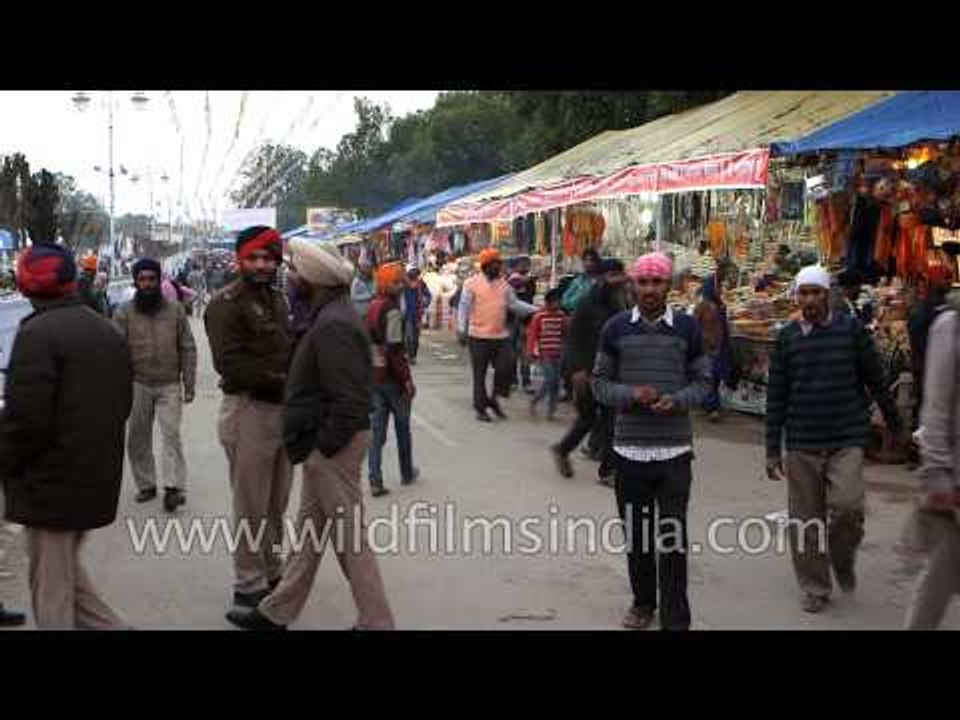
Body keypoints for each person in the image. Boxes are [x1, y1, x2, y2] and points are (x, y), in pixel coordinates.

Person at [226, 238, 393, 631]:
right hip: (326, 447)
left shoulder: (333, 323)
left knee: (351, 542)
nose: (290, 277)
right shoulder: (330, 314)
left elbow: (349, 401)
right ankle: (276, 612)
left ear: (313, 279)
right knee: (309, 538)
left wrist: (322, 448)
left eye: (296, 271)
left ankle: (377, 622)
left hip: (332, 447)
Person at [0, 243, 132, 629]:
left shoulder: (36, 334)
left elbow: (25, 421)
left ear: (25, 285)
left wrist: (5, 466)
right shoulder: (105, 329)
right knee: (69, 580)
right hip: (94, 477)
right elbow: (123, 403)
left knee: (52, 592)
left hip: (49, 486)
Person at [766, 265, 903, 614]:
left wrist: (894, 421)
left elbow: (874, 376)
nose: (809, 299)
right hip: (801, 441)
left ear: (828, 295)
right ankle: (815, 586)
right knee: (805, 520)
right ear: (796, 296)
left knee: (847, 508)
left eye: (816, 292)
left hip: (845, 437)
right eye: (804, 292)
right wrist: (771, 449)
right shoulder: (787, 338)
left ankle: (841, 557)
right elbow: (777, 396)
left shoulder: (850, 331)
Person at [593, 252, 711, 631]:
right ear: (633, 285)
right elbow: (599, 384)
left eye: (656, 282)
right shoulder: (614, 329)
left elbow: (705, 382)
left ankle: (676, 618)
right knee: (638, 536)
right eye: (642, 282)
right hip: (629, 452)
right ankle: (643, 603)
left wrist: (678, 401)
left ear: (668, 285)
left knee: (673, 537)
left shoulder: (688, 329)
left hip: (675, 451)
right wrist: (630, 394)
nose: (649, 289)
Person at [204, 226, 294, 611]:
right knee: (251, 504)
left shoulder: (278, 299)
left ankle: (273, 568)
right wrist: (287, 381)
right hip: (248, 410)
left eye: (267, 258)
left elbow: (286, 348)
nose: (260, 265)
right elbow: (231, 365)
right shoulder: (224, 304)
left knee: (277, 501)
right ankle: (248, 581)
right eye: (253, 257)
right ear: (240, 260)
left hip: (281, 411)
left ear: (276, 261)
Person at [114, 258, 197, 512]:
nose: (147, 284)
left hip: (169, 383)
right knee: (138, 437)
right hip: (137, 384)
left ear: (159, 280)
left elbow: (187, 347)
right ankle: (146, 484)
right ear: (136, 282)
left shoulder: (175, 310)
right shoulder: (124, 312)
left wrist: (189, 382)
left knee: (171, 435)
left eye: (151, 279)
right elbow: (115, 351)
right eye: (142, 279)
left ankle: (173, 487)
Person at [905, 288, 960, 629]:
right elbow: (936, 407)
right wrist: (938, 473)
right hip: (954, 482)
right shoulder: (950, 326)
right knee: (938, 582)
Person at [552, 259, 631, 479]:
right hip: (585, 370)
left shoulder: (621, 302)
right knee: (598, 419)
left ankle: (565, 450)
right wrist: (576, 371)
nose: (618, 282)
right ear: (601, 279)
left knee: (602, 419)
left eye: (620, 276)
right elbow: (573, 339)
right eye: (613, 276)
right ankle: (605, 469)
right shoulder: (588, 304)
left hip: (610, 370)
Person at [457, 248, 538, 422]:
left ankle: (494, 399)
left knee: (506, 368)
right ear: (486, 266)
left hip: (500, 336)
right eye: (494, 264)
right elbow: (463, 307)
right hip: (477, 336)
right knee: (479, 374)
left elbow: (514, 304)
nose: (498, 267)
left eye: (498, 263)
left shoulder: (504, 285)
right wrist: (461, 329)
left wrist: (537, 310)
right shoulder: (471, 283)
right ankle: (481, 409)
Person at [367, 261, 419, 497]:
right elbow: (395, 349)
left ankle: (375, 478)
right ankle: (406, 472)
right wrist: (406, 380)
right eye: (397, 282)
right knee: (402, 427)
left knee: (377, 433)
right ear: (389, 284)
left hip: (374, 376)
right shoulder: (392, 310)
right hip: (392, 379)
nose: (401, 286)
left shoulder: (372, 305)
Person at [908, 266, 952, 435]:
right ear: (936, 281)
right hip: (930, 363)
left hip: (926, 363)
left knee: (925, 402)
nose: (949, 282)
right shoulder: (935, 306)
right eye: (946, 278)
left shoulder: (928, 304)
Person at [693, 264, 735, 422]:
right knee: (711, 373)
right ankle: (712, 407)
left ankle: (710, 405)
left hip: (718, 342)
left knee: (714, 374)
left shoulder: (717, 302)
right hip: (710, 343)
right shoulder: (706, 305)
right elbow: (697, 323)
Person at [526, 288, 568, 421]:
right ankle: (535, 400)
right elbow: (532, 335)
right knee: (550, 380)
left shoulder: (561, 316)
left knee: (556, 383)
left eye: (559, 301)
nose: (558, 304)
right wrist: (530, 352)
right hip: (545, 353)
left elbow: (565, 333)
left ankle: (551, 411)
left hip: (558, 353)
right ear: (548, 303)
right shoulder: (539, 316)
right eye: (555, 301)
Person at [508, 256, 537, 393]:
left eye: (527, 264)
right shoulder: (513, 279)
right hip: (514, 319)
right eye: (522, 264)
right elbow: (515, 284)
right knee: (514, 351)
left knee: (525, 351)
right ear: (516, 266)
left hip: (527, 318)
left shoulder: (529, 279)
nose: (525, 266)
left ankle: (525, 381)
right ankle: (514, 380)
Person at [402, 263, 432, 365]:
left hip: (418, 315)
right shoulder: (403, 285)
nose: (414, 275)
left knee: (415, 337)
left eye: (415, 273)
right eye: (412, 273)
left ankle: (413, 355)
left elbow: (428, 296)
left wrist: (424, 302)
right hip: (407, 315)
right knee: (408, 337)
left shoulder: (421, 284)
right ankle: (410, 356)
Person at [561, 248, 602, 313]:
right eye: (585, 260)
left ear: (597, 262)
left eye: (591, 260)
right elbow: (564, 302)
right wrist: (580, 296)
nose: (588, 263)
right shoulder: (578, 280)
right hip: (576, 316)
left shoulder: (601, 281)